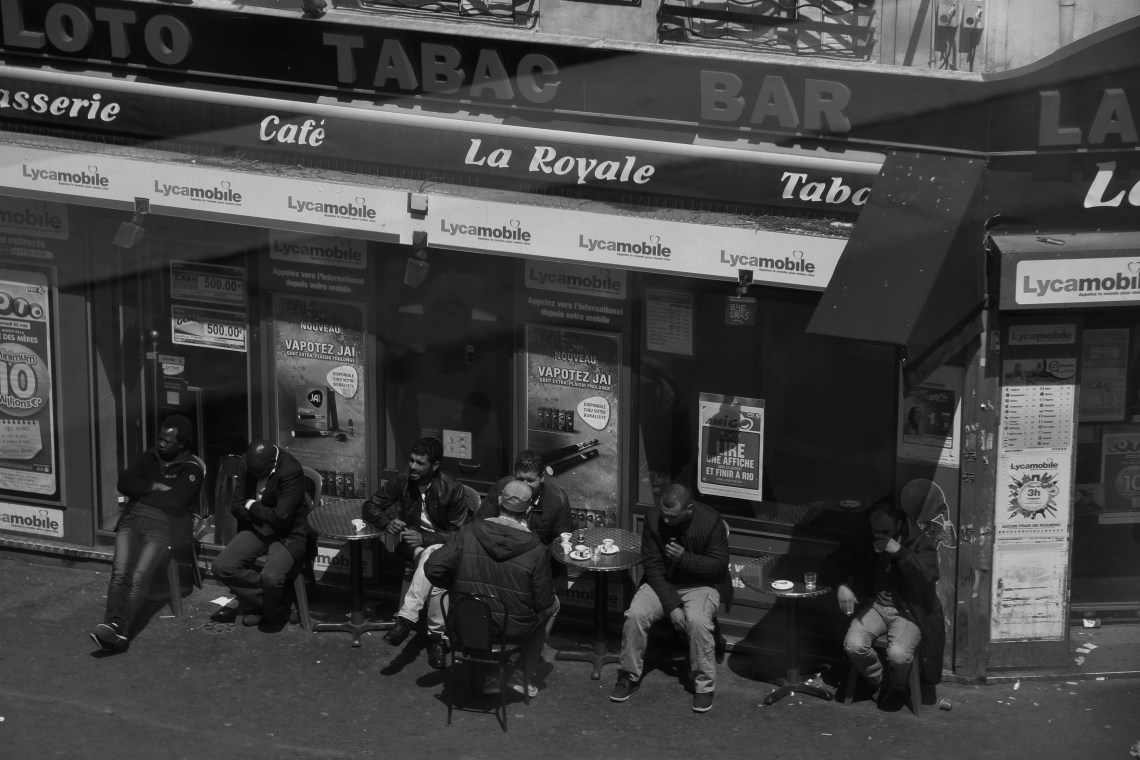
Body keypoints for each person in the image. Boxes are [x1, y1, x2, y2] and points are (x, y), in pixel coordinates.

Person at [425, 480, 556, 698]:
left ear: (498, 501)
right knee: (554, 605)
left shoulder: (467, 533)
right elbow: (543, 602)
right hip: (511, 631)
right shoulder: (537, 549)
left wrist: (456, 585)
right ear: (529, 509)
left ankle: (495, 674)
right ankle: (520, 673)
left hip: (466, 626)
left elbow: (433, 568)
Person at [610, 483, 729, 713]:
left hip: (700, 585)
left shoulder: (711, 521)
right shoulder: (653, 518)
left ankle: (704, 687)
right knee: (636, 614)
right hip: (662, 583)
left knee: (697, 621)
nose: (665, 521)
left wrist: (685, 559)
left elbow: (719, 568)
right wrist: (672, 606)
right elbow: (652, 566)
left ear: (689, 510)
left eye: (672, 517)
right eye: (663, 514)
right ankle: (628, 675)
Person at [89, 415, 205, 650]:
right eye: (160, 439)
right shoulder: (149, 456)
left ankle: (117, 629)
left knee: (139, 577)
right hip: (131, 521)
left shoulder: (192, 469)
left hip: (162, 527)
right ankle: (116, 630)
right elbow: (124, 482)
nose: (161, 444)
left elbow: (176, 501)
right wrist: (154, 486)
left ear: (181, 444)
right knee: (120, 573)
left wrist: (141, 491)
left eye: (167, 441)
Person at [823, 498, 944, 712]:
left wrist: (901, 552)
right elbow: (835, 561)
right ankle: (882, 682)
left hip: (908, 610)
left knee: (898, 654)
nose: (880, 536)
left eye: (886, 531)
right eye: (875, 531)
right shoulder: (865, 538)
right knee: (853, 645)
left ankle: (898, 686)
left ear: (898, 525)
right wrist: (842, 585)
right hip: (876, 605)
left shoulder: (917, 542)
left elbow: (928, 578)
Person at [362, 436, 468, 668]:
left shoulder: (452, 488)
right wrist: (385, 522)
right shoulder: (402, 479)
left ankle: (407, 619)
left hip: (443, 548)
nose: (412, 466)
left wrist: (426, 538)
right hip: (412, 548)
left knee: (434, 560)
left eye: (420, 463)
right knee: (433, 565)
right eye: (411, 460)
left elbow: (460, 535)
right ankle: (436, 639)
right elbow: (370, 505)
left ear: (435, 466)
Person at [211, 439, 312, 630]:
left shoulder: (291, 470)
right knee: (221, 567)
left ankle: (267, 606)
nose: (254, 475)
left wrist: (253, 505)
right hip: (257, 527)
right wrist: (258, 513)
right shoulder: (247, 463)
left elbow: (282, 518)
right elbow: (236, 505)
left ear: (272, 463)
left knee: (271, 578)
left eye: (259, 473)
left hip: (289, 533)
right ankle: (273, 603)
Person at [477, 450, 573, 547]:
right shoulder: (501, 488)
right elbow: (481, 525)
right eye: (520, 479)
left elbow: (561, 544)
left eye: (530, 481)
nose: (524, 485)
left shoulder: (558, 500)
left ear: (542, 477)